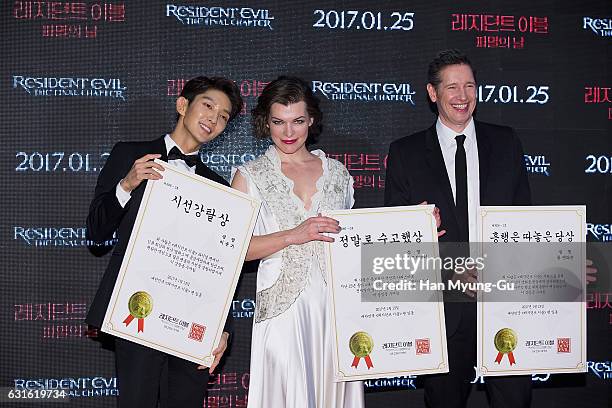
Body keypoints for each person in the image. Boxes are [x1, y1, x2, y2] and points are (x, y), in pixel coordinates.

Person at [384, 50, 533, 408]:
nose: (462, 96)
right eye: (452, 87)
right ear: (433, 94)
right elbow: (397, 241)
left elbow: (524, 220)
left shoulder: (506, 142)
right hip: (442, 309)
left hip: (504, 302)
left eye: (469, 85)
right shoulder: (405, 153)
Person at [85, 76, 243, 408]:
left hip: (191, 320)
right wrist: (126, 184)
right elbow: (96, 234)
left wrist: (221, 330)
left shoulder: (219, 187)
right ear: (182, 105)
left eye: (224, 116)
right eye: (208, 105)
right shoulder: (130, 155)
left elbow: (222, 266)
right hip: (137, 312)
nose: (214, 119)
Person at [231, 76, 365, 407]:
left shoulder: (338, 174)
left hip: (335, 310)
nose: (289, 133)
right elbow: (236, 250)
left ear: (311, 120)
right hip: (283, 312)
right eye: (279, 122)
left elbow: (355, 242)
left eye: (298, 121)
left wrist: (416, 224)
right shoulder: (249, 176)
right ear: (266, 122)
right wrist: (294, 235)